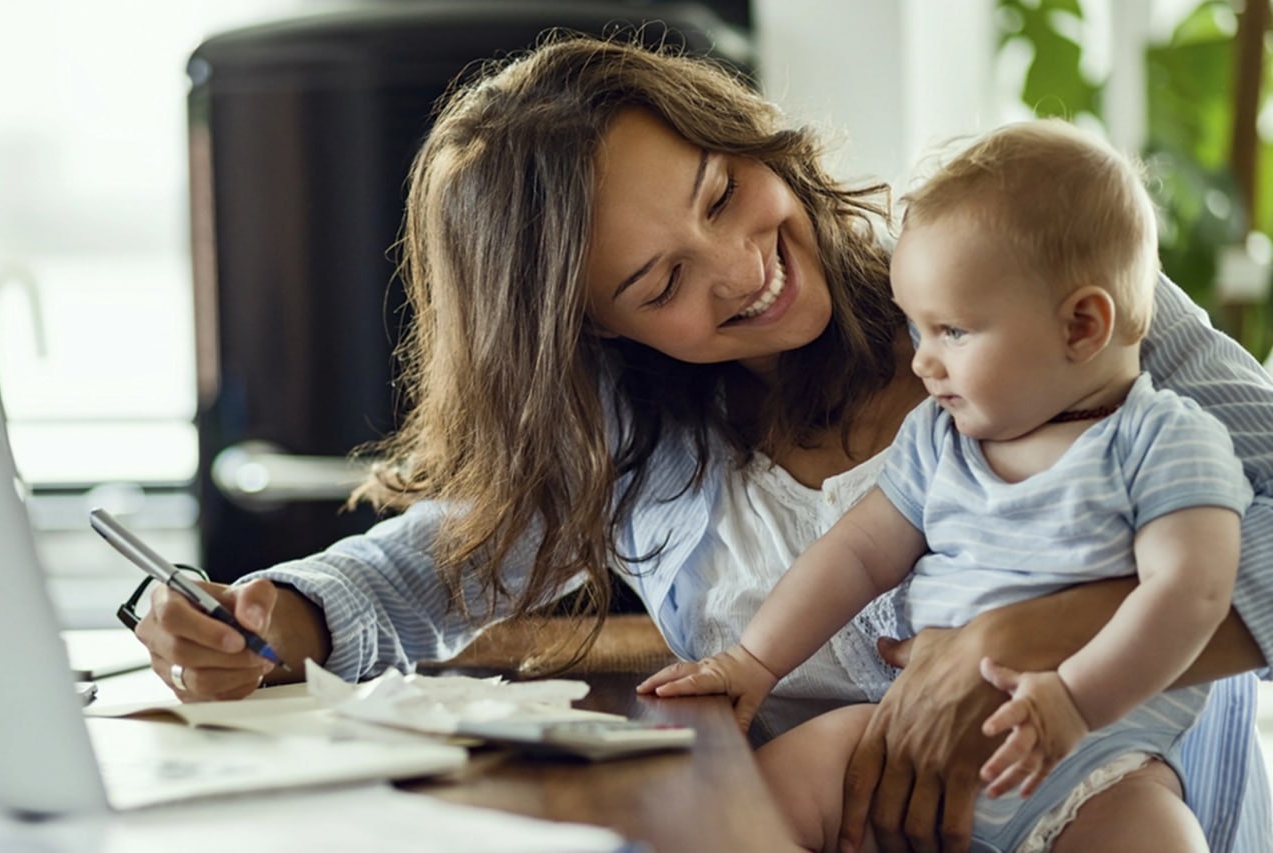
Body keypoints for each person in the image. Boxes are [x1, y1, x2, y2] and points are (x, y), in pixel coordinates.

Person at [130, 35, 1273, 851]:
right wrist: (271, 618)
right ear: (593, 329)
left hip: (1104, 799)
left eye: (723, 193)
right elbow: (421, 568)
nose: (740, 268)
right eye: (659, 281)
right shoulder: (634, 430)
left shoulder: (1033, 293)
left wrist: (1021, 635)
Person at [637, 118, 1253, 852]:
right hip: (902, 737)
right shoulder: (941, 438)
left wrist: (1072, 699)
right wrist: (753, 660)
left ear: (1082, 327)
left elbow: (1192, 594)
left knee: (1160, 836)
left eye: (952, 332)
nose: (922, 362)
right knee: (754, 800)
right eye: (917, 329)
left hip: (1097, 765)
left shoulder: (1165, 443)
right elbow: (856, 553)